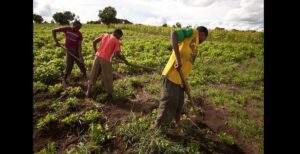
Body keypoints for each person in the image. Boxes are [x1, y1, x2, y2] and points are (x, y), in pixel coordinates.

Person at [154, 26, 208, 131]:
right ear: (202, 34)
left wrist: (185, 82)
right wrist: (178, 60)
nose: (203, 41)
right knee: (170, 102)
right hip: (172, 76)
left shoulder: (195, 46)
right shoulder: (192, 32)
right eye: (204, 38)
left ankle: (177, 125)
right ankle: (159, 130)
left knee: (179, 104)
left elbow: (187, 65)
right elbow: (174, 34)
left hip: (180, 80)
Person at [85, 29, 126, 100]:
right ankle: (109, 94)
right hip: (106, 60)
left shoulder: (105, 35)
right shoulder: (116, 41)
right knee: (108, 76)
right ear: (117, 34)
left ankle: (88, 92)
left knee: (93, 73)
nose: (120, 38)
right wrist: (125, 60)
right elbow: (117, 54)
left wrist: (96, 52)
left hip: (97, 57)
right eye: (120, 36)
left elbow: (94, 42)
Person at [52, 20, 87, 87]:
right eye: (77, 27)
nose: (78, 29)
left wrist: (80, 57)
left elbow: (79, 46)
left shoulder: (79, 34)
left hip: (76, 51)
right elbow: (53, 30)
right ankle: (65, 80)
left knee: (81, 64)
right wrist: (56, 41)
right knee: (69, 66)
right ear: (73, 25)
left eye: (79, 28)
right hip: (69, 51)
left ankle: (86, 77)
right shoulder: (67, 29)